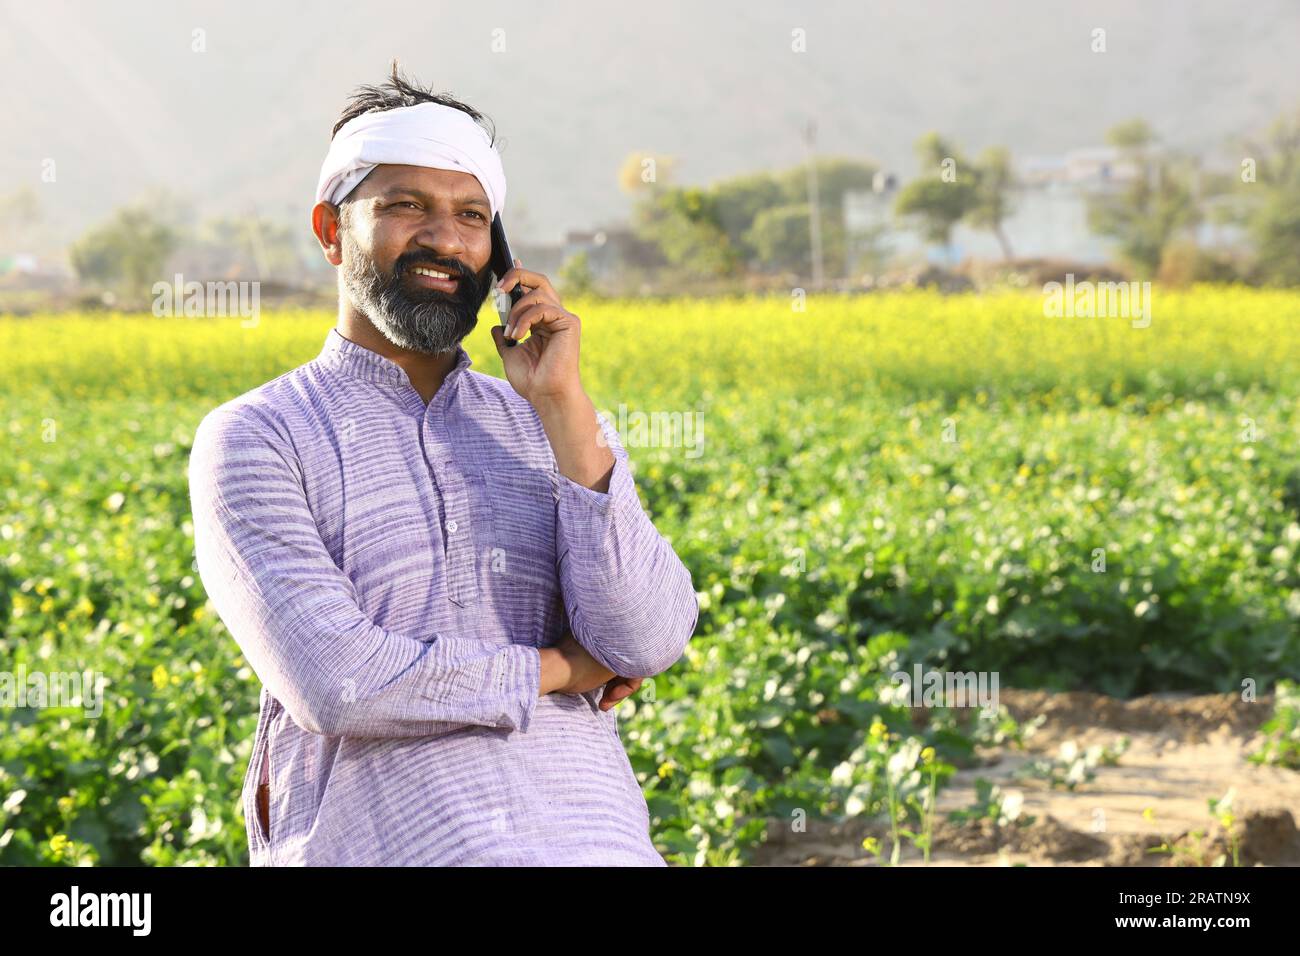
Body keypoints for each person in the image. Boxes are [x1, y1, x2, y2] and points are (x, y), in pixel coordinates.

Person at [188, 64, 698, 865]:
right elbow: (338, 680)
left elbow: (649, 636)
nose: (445, 238)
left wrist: (564, 408)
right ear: (330, 231)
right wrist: (562, 668)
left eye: (471, 216)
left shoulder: (548, 427)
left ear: (500, 256)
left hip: (591, 839)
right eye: (405, 206)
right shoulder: (257, 437)